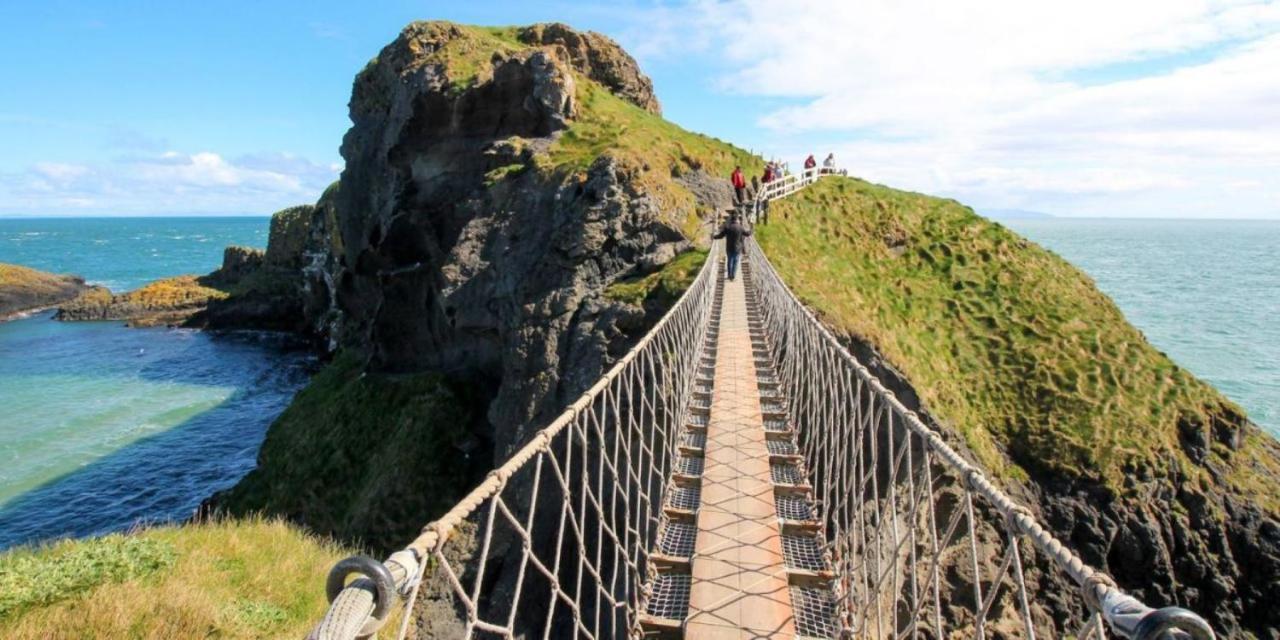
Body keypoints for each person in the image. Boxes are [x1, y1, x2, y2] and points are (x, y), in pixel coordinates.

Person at [712, 212, 752, 281]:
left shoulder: (728, 227)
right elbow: (747, 234)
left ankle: (729, 275)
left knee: (729, 261)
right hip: (738, 248)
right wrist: (751, 230)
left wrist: (714, 237)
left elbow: (721, 235)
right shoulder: (740, 227)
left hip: (729, 248)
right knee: (736, 262)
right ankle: (733, 276)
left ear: (731, 220)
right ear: (737, 220)